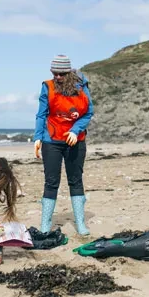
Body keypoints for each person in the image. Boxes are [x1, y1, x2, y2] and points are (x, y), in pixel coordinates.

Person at [34, 55, 94, 236]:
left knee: (75, 181)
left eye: (61, 73)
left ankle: (81, 223)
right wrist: (38, 137)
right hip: (51, 140)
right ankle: (45, 224)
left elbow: (88, 112)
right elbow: (41, 114)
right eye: (55, 73)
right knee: (51, 182)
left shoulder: (81, 87)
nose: (58, 77)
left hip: (75, 141)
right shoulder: (48, 87)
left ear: (69, 72)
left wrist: (76, 131)